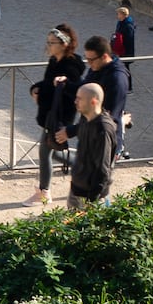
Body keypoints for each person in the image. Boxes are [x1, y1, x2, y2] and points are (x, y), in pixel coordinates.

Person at [29, 24, 86, 206]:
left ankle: (44, 192)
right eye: (48, 42)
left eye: (52, 42)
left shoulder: (72, 66)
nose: (49, 45)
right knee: (49, 151)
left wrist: (62, 84)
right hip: (49, 113)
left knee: (46, 152)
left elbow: (73, 90)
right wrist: (35, 88)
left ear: (64, 44)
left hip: (60, 115)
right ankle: (85, 167)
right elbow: (48, 83)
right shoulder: (54, 61)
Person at [67, 83, 117, 213]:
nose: (75, 101)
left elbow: (102, 170)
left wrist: (92, 202)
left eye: (79, 98)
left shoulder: (103, 129)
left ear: (93, 101)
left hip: (91, 197)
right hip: (76, 190)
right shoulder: (85, 120)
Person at [81, 36, 129, 155]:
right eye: (87, 59)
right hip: (89, 133)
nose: (89, 63)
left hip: (106, 139)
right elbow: (85, 86)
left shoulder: (117, 79)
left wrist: (71, 131)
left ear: (104, 56)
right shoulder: (97, 67)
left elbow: (109, 117)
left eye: (91, 60)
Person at [112, 0, 137, 66]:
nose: (117, 16)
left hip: (125, 51)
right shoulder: (121, 22)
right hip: (121, 49)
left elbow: (129, 40)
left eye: (119, 14)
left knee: (124, 66)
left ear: (123, 15)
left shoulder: (128, 26)